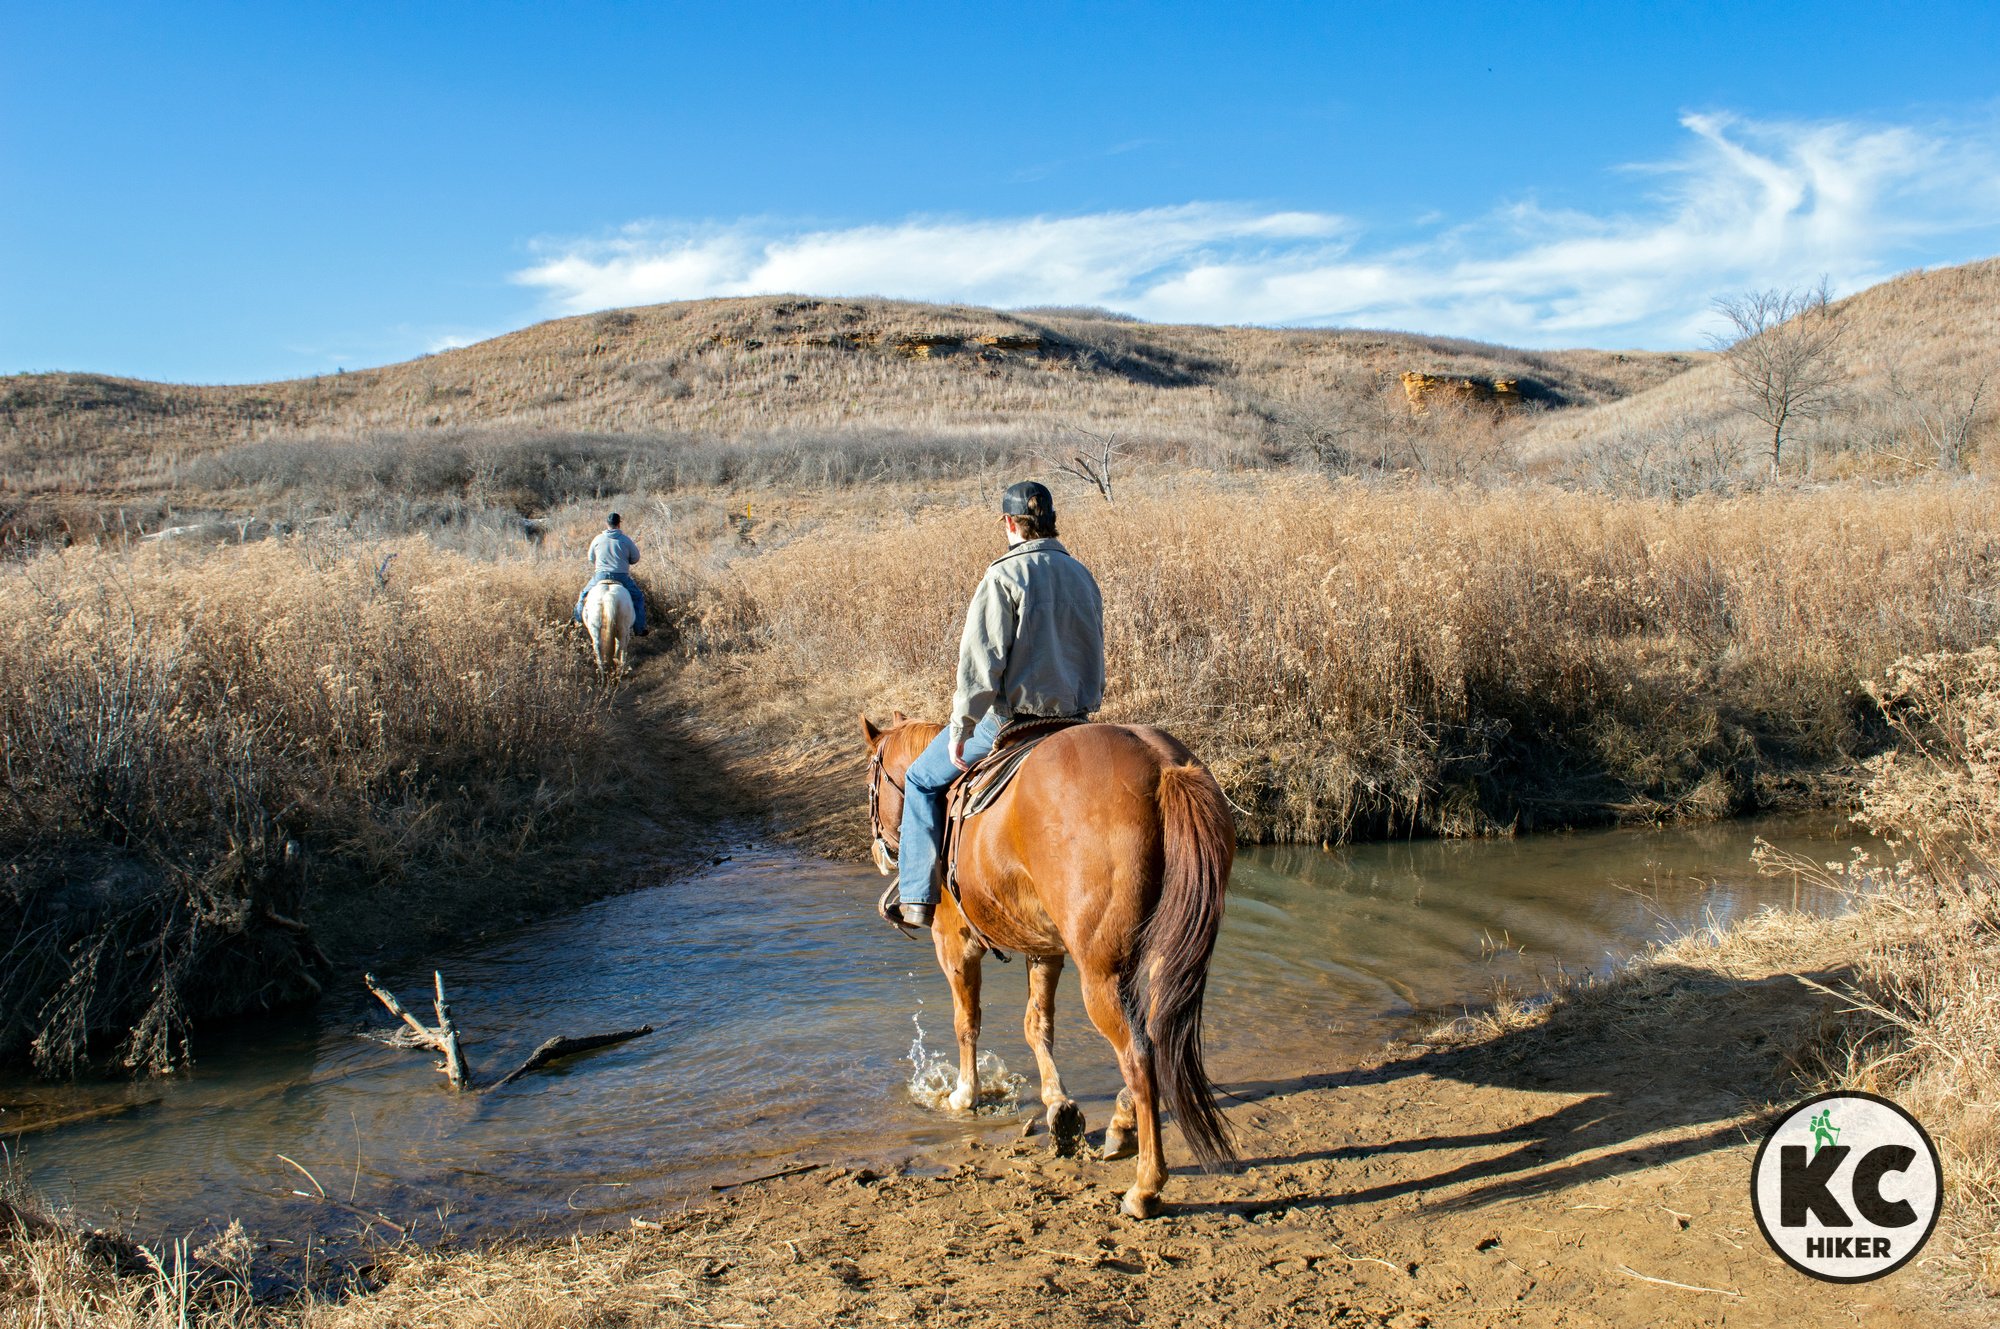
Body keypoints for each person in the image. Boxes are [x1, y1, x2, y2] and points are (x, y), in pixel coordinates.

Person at [883, 480, 1104, 931]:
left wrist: (962, 728)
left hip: (1011, 723)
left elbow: (980, 666)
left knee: (923, 779)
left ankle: (917, 898)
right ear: (1050, 522)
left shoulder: (1003, 576)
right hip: (1077, 722)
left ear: (1009, 524)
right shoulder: (1083, 575)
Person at [574, 512, 649, 637]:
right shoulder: (626, 540)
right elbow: (635, 558)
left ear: (607, 524)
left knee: (583, 595)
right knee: (638, 597)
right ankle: (639, 628)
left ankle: (577, 622)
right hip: (621, 577)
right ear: (619, 524)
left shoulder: (597, 539)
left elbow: (591, 558)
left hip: (600, 576)